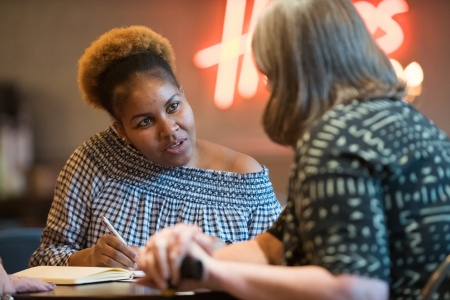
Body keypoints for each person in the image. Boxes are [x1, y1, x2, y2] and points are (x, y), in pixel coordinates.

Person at [136, 0, 450, 299]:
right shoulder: (414, 123)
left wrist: (210, 273)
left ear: (289, 72)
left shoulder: (333, 139)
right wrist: (198, 251)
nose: (268, 86)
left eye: (269, 74)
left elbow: (356, 290)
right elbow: (271, 248)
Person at [29, 26, 282, 269]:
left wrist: (223, 256)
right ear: (122, 131)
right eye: (145, 122)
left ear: (183, 95)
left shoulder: (244, 176)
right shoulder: (95, 162)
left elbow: (282, 266)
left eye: (173, 107)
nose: (169, 129)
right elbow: (43, 258)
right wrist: (89, 258)